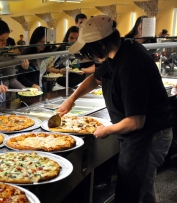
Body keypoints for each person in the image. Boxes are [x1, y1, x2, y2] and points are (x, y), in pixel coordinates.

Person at [59, 15, 172, 203]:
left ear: (100, 45)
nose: (87, 55)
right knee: (141, 188)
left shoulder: (131, 64)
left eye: (88, 50)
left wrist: (106, 130)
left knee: (133, 191)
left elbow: (136, 121)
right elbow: (95, 78)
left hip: (149, 135)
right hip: (138, 134)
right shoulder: (116, 52)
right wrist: (71, 99)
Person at [17, 26, 55, 92]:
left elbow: (41, 75)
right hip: (31, 92)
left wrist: (48, 78)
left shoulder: (45, 54)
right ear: (35, 40)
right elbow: (20, 78)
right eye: (41, 41)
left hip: (44, 89)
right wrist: (32, 85)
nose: (43, 44)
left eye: (45, 41)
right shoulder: (26, 55)